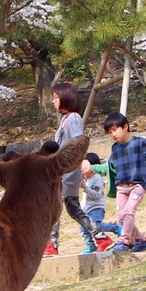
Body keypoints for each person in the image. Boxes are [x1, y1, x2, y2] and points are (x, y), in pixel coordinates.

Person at [51, 82, 98, 254]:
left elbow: (79, 142)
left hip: (67, 173)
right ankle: (101, 237)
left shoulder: (73, 119)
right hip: (64, 172)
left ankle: (52, 244)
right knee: (74, 210)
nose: (54, 101)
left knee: (53, 207)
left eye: (56, 97)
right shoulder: (65, 119)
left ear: (66, 97)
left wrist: (83, 160)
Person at [103, 111, 146, 252]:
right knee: (121, 216)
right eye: (110, 132)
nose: (113, 134)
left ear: (125, 126)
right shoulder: (115, 148)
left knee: (128, 212)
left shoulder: (140, 143)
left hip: (138, 185)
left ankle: (124, 241)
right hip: (121, 187)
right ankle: (141, 240)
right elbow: (110, 167)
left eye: (115, 130)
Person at [82, 152, 109, 236]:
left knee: (97, 226)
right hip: (86, 209)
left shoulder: (97, 178)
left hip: (96, 208)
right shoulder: (85, 178)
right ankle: (91, 246)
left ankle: (115, 227)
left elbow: (96, 194)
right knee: (83, 228)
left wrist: (85, 188)